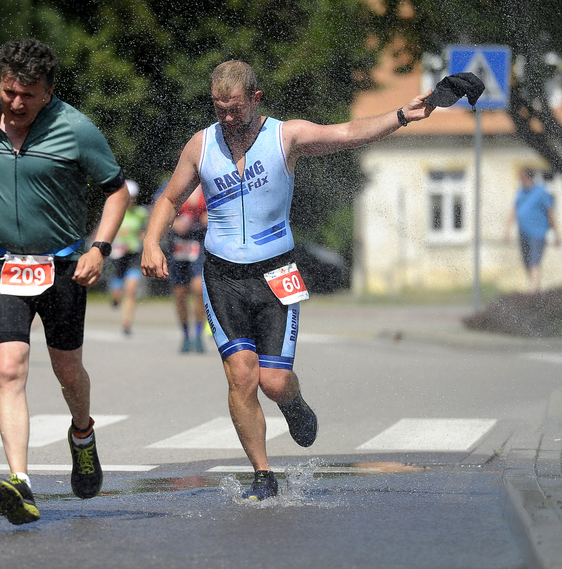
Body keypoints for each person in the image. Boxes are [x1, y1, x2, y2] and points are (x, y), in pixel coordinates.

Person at [141, 60, 436, 501]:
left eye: (235, 109)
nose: (226, 118)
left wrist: (400, 115)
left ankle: (294, 406)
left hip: (276, 270)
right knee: (241, 375)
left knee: (274, 382)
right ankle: (262, 473)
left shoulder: (286, 137)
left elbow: (348, 132)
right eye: (219, 108)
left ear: (255, 99)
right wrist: (151, 241)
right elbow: (169, 197)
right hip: (222, 275)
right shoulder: (201, 146)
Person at [0, 38, 128, 525]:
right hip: (0, 262)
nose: (16, 103)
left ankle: (82, 433)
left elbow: (116, 192)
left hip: (63, 266)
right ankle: (20, 482)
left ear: (49, 91)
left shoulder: (76, 128)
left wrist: (98, 249)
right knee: (8, 369)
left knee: (67, 373)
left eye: (29, 94)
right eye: (8, 92)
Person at [504, 168, 560, 294]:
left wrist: (557, 235)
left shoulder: (541, 192)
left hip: (538, 234)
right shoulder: (520, 192)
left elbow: (550, 213)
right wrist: (507, 230)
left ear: (528, 177)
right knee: (527, 263)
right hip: (523, 233)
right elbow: (513, 211)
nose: (520, 179)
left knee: (535, 261)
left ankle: (532, 293)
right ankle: (535, 291)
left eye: (522, 177)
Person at [168, 184, 208, 353]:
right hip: (178, 244)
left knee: (199, 289)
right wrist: (173, 221)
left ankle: (198, 334)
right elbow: (159, 206)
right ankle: (185, 335)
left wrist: (210, 216)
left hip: (199, 242)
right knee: (180, 293)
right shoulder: (174, 183)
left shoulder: (209, 182)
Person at [108, 179, 149, 335]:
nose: (130, 200)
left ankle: (126, 323)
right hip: (117, 255)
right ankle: (115, 299)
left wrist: (142, 236)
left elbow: (145, 231)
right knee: (117, 291)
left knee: (131, 290)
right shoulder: (115, 211)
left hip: (133, 254)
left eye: (132, 197)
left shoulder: (140, 214)